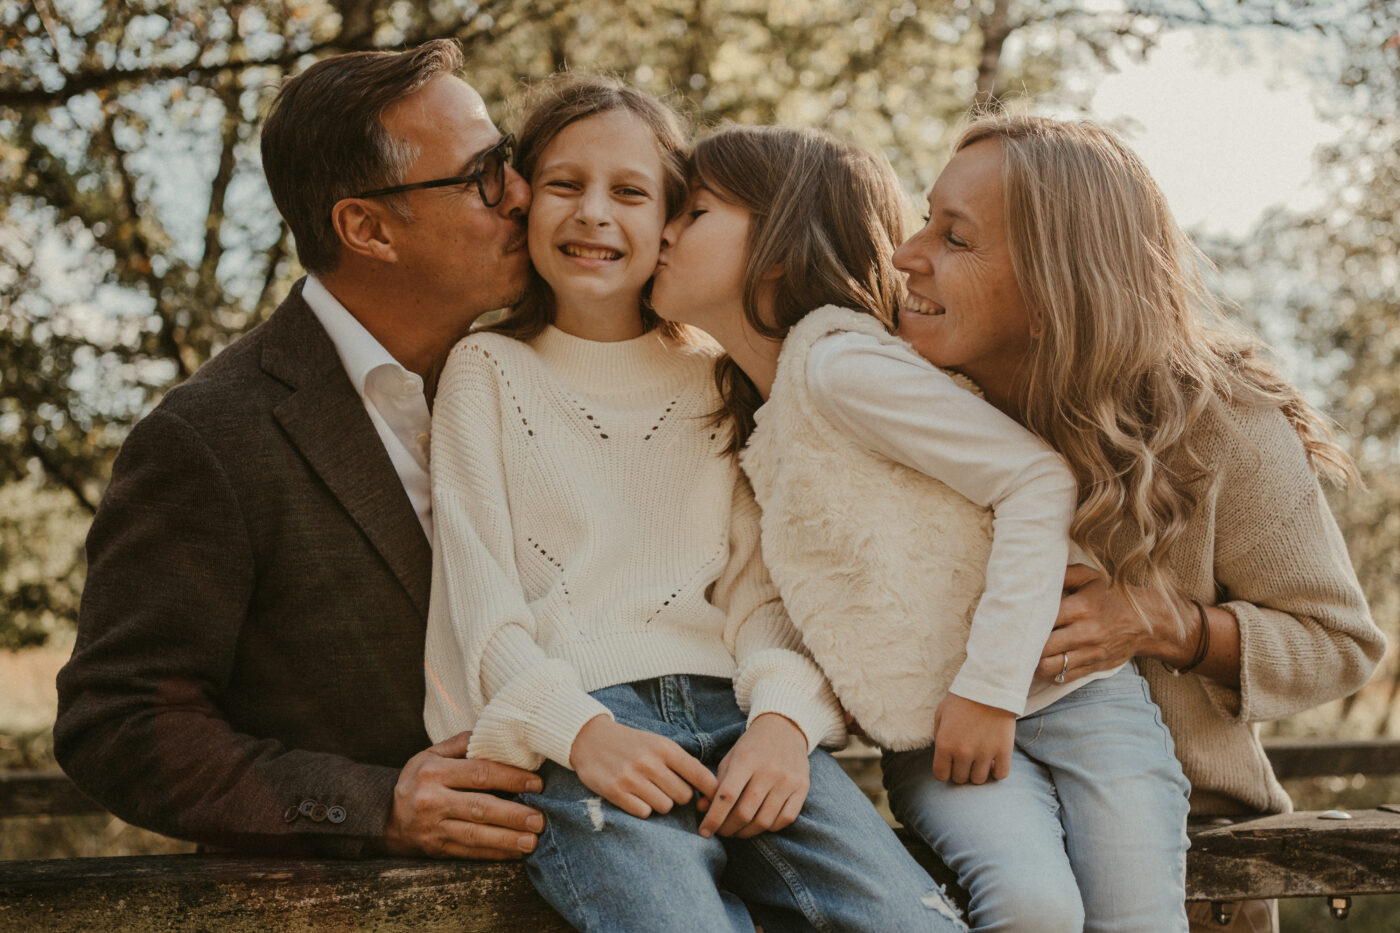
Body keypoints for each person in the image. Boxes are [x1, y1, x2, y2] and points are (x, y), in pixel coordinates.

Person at [421, 75, 962, 933]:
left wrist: (785, 721)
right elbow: (478, 606)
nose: (595, 212)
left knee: (915, 920)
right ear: (526, 204)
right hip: (588, 728)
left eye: (630, 192)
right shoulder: (484, 370)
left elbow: (763, 591)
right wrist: (580, 731)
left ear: (668, 223)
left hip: (741, 711)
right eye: (565, 184)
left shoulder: (716, 373)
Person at [653, 123, 1191, 933]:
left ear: (774, 247)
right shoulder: (764, 421)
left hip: (1071, 697)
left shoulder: (838, 365)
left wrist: (988, 688)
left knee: (1137, 919)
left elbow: (1036, 476)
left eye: (692, 211)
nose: (661, 229)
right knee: (1034, 908)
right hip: (935, 736)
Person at [54, 40, 548, 859]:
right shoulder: (208, 438)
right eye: (484, 173)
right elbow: (118, 721)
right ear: (368, 228)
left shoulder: (523, 382)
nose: (522, 193)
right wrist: (375, 804)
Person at [892, 116, 1382, 933]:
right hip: (985, 859)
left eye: (955, 237)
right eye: (924, 219)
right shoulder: (899, 407)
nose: (908, 253)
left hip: (1195, 871)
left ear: (1058, 280)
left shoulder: (1223, 424)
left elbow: (1340, 643)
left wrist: (1168, 624)